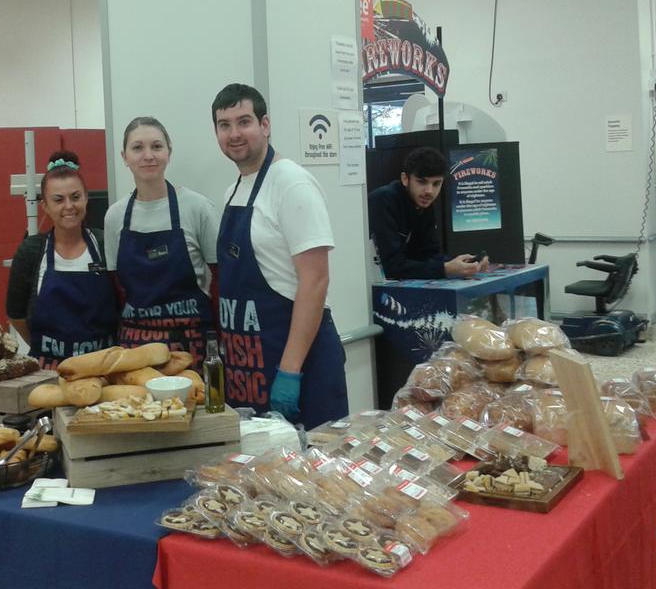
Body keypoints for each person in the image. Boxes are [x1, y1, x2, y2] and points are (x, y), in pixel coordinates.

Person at [211, 83, 348, 428]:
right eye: (224, 125)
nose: (234, 133)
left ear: (265, 125)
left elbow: (315, 281)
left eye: (244, 121)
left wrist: (290, 371)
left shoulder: (292, 184)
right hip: (250, 368)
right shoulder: (233, 190)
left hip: (299, 366)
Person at [104, 117, 220, 369]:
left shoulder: (197, 207)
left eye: (156, 146)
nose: (148, 156)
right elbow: (117, 287)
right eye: (138, 148)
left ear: (169, 151)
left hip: (193, 347)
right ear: (124, 156)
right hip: (137, 350)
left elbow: (219, 280)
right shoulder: (115, 216)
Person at [6, 150, 119, 371]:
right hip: (47, 372)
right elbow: (15, 314)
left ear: (86, 198)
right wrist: (45, 349)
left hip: (103, 369)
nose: (69, 206)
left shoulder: (105, 244)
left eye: (75, 197)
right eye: (58, 200)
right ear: (45, 206)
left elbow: (123, 303)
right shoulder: (31, 251)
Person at [368, 146, 488, 280]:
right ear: (405, 179)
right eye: (421, 182)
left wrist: (461, 264)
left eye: (436, 184)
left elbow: (429, 253)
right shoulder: (383, 200)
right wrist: (445, 269)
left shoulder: (423, 204)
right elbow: (390, 266)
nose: (429, 191)